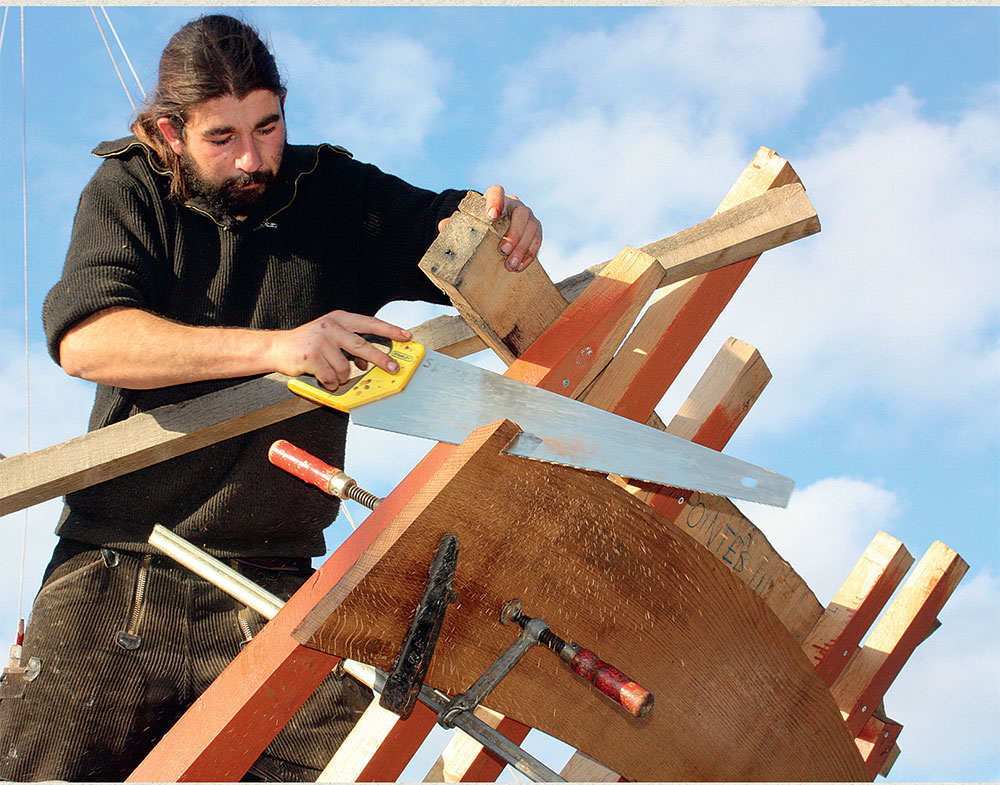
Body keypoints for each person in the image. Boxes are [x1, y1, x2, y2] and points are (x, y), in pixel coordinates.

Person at [0, 13, 541, 782]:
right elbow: (88, 338)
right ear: (169, 132)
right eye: (222, 138)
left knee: (355, 766)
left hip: (272, 584)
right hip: (117, 572)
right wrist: (278, 347)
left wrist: (504, 222)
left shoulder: (337, 193)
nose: (253, 157)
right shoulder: (128, 188)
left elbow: (450, 230)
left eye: (269, 125)